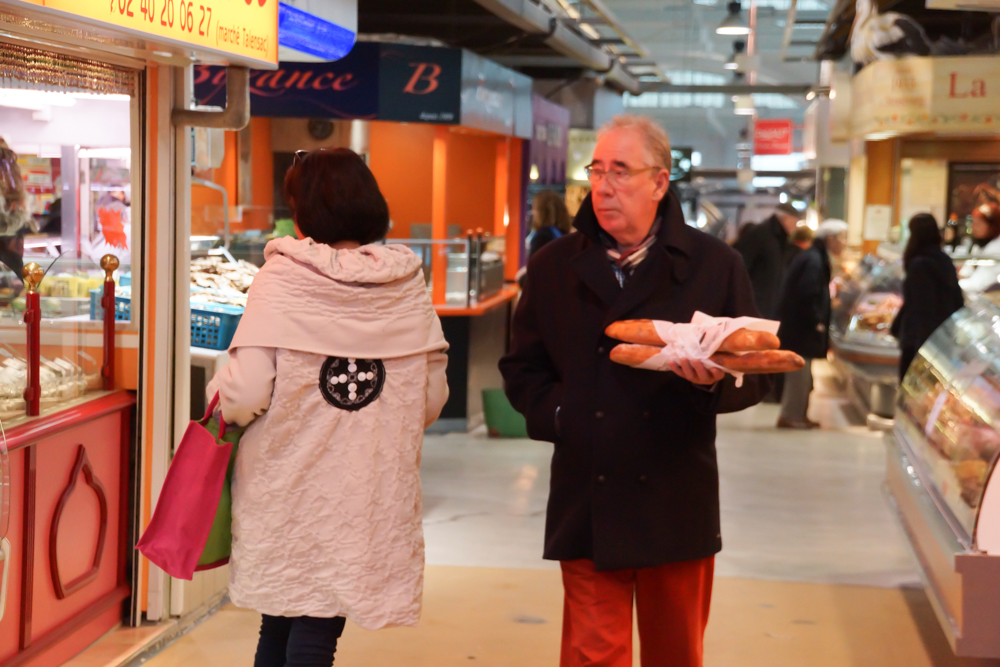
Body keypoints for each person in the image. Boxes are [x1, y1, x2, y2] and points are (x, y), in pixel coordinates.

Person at [499, 115, 768, 667]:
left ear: (660, 182)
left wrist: (714, 384)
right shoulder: (552, 268)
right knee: (593, 655)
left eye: (621, 171)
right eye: (597, 170)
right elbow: (522, 368)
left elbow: (755, 371)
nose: (603, 186)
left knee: (675, 654)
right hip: (587, 491)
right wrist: (563, 414)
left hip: (675, 497)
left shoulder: (715, 266)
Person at [207, 148, 450, 667]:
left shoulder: (283, 277)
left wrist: (225, 397)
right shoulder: (406, 283)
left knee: (282, 617)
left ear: (302, 211)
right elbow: (428, 400)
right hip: (364, 490)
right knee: (316, 627)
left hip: (285, 483)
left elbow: (247, 391)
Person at [775, 219, 849, 429]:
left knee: (802, 375)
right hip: (801, 328)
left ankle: (797, 415)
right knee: (799, 373)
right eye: (842, 239)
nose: (844, 244)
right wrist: (817, 321)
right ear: (831, 239)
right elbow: (807, 294)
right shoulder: (814, 260)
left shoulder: (813, 257)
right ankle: (792, 416)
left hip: (798, 326)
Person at [891, 214, 964, 382]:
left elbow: (921, 310)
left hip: (919, 343)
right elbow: (958, 301)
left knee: (911, 392)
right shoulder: (944, 260)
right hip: (942, 339)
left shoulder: (919, 266)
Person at [734, 203, 803, 319]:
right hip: (757, 308)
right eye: (795, 221)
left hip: (766, 307)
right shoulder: (762, 235)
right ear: (786, 218)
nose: (795, 227)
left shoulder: (777, 239)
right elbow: (741, 268)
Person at [518, 190, 573, 288]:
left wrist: (521, 278)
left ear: (543, 212)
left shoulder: (542, 236)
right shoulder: (566, 236)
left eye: (535, 208)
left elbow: (535, 279)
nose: (533, 213)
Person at [958, 203, 1000, 292]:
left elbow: (978, 285)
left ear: (992, 226)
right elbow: (966, 272)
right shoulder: (979, 245)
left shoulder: (996, 249)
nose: (973, 227)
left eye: (978, 224)